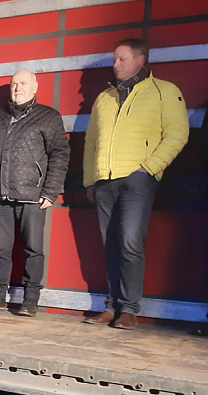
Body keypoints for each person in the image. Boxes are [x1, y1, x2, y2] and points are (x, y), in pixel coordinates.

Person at [82, 39, 189, 329]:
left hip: (137, 179)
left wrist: (148, 169)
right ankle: (110, 307)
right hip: (105, 180)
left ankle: (129, 309)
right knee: (110, 246)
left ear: (140, 60)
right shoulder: (104, 97)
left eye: (122, 59)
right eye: (114, 60)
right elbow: (91, 142)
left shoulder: (164, 92)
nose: (115, 65)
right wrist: (91, 180)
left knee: (130, 243)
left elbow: (178, 134)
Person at [0, 70, 70, 316]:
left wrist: (51, 191)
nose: (17, 88)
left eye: (23, 83)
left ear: (35, 87)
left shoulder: (48, 117)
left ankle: (30, 299)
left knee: (33, 248)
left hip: (32, 195)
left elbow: (60, 153)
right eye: (14, 84)